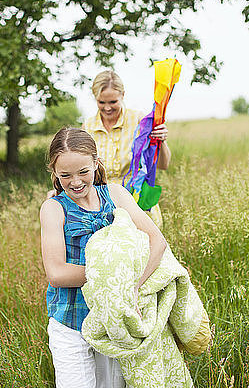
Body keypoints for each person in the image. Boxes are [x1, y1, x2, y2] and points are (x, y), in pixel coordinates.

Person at [40, 127, 167, 387]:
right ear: (54, 173)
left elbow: (157, 241)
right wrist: (112, 275)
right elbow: (56, 273)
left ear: (96, 164)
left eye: (83, 172)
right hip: (70, 321)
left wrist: (132, 286)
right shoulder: (54, 208)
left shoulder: (116, 195)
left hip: (113, 320)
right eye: (65, 175)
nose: (75, 182)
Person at [82, 70, 171, 227]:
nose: (107, 108)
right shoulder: (88, 127)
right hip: (103, 208)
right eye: (101, 102)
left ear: (123, 95)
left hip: (138, 204)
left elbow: (163, 165)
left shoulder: (139, 120)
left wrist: (161, 141)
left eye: (113, 102)